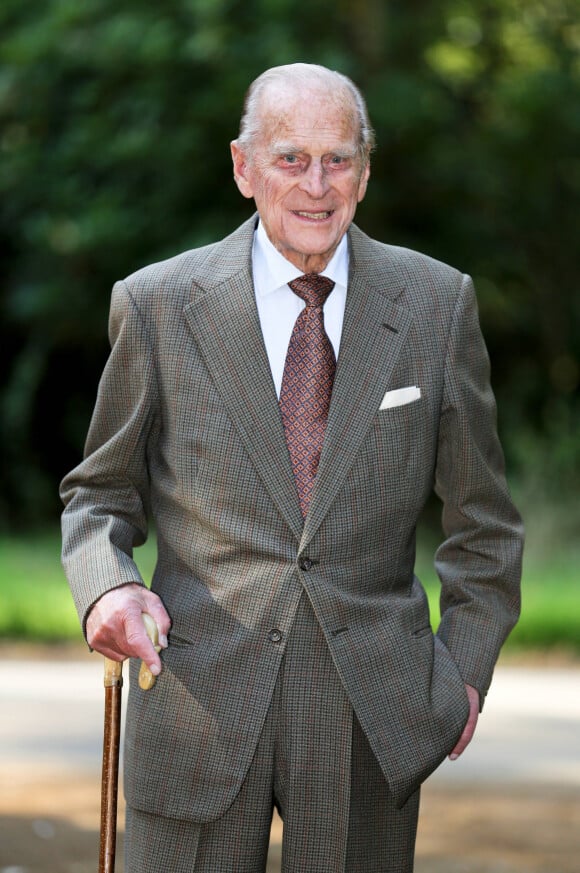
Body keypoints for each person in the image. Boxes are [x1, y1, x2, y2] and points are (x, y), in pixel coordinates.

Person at [60, 63, 523, 872]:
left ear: (366, 172)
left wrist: (461, 671)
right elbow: (98, 494)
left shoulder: (436, 304)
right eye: (289, 158)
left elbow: (485, 526)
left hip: (372, 713)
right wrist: (106, 585)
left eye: (337, 158)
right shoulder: (157, 304)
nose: (316, 184)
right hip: (195, 700)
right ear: (243, 167)